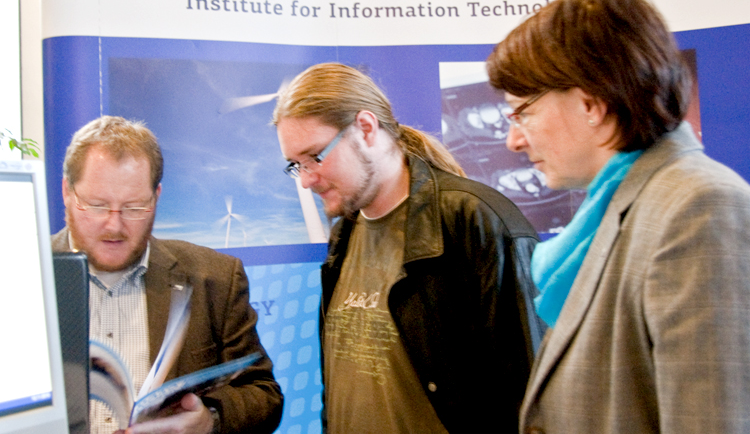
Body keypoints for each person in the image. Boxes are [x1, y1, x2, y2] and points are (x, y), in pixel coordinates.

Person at [486, 0, 750, 434]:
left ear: (591, 104)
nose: (513, 141)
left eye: (523, 112)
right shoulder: (621, 205)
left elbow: (710, 420)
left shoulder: (700, 207)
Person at [273, 62, 544, 434]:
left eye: (315, 157)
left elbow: (530, 397)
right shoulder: (343, 235)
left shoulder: (475, 221)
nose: (306, 181)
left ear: (366, 128)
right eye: (295, 165)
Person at [51, 116, 283, 434]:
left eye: (134, 207)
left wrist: (210, 420)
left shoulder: (214, 279)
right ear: (67, 192)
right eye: (97, 205)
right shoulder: (20, 275)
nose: (114, 226)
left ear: (156, 196)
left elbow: (264, 395)